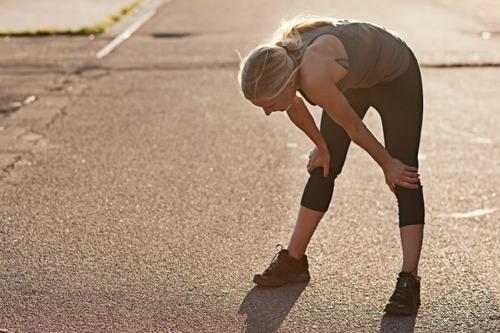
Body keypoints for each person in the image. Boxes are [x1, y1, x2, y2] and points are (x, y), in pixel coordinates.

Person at [236, 14, 424, 315]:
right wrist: (322, 147)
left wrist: (387, 163)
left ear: (285, 84)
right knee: (324, 164)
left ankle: (409, 279)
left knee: (403, 173)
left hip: (395, 75)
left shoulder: (313, 74)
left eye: (269, 104)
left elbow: (354, 128)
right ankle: (294, 260)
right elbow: (294, 105)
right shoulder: (280, 61)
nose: (269, 112)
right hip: (354, 78)